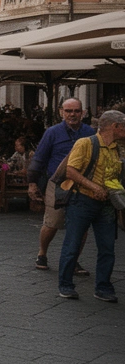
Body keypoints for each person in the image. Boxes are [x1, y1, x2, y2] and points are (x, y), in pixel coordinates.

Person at [57, 110, 123, 302]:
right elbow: (71, 171)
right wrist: (94, 187)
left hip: (107, 204)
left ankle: (103, 287)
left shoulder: (117, 148)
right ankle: (66, 285)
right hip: (82, 201)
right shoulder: (85, 143)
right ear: (115, 126)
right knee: (73, 244)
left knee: (107, 247)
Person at [28, 98, 94, 270]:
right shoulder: (52, 132)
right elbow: (39, 158)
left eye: (76, 111)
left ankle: (73, 260)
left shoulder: (90, 132)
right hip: (57, 182)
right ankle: (42, 253)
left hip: (82, 184)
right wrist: (32, 183)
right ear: (61, 112)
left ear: (83, 113)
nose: (72, 114)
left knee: (81, 225)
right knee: (52, 222)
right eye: (68, 111)